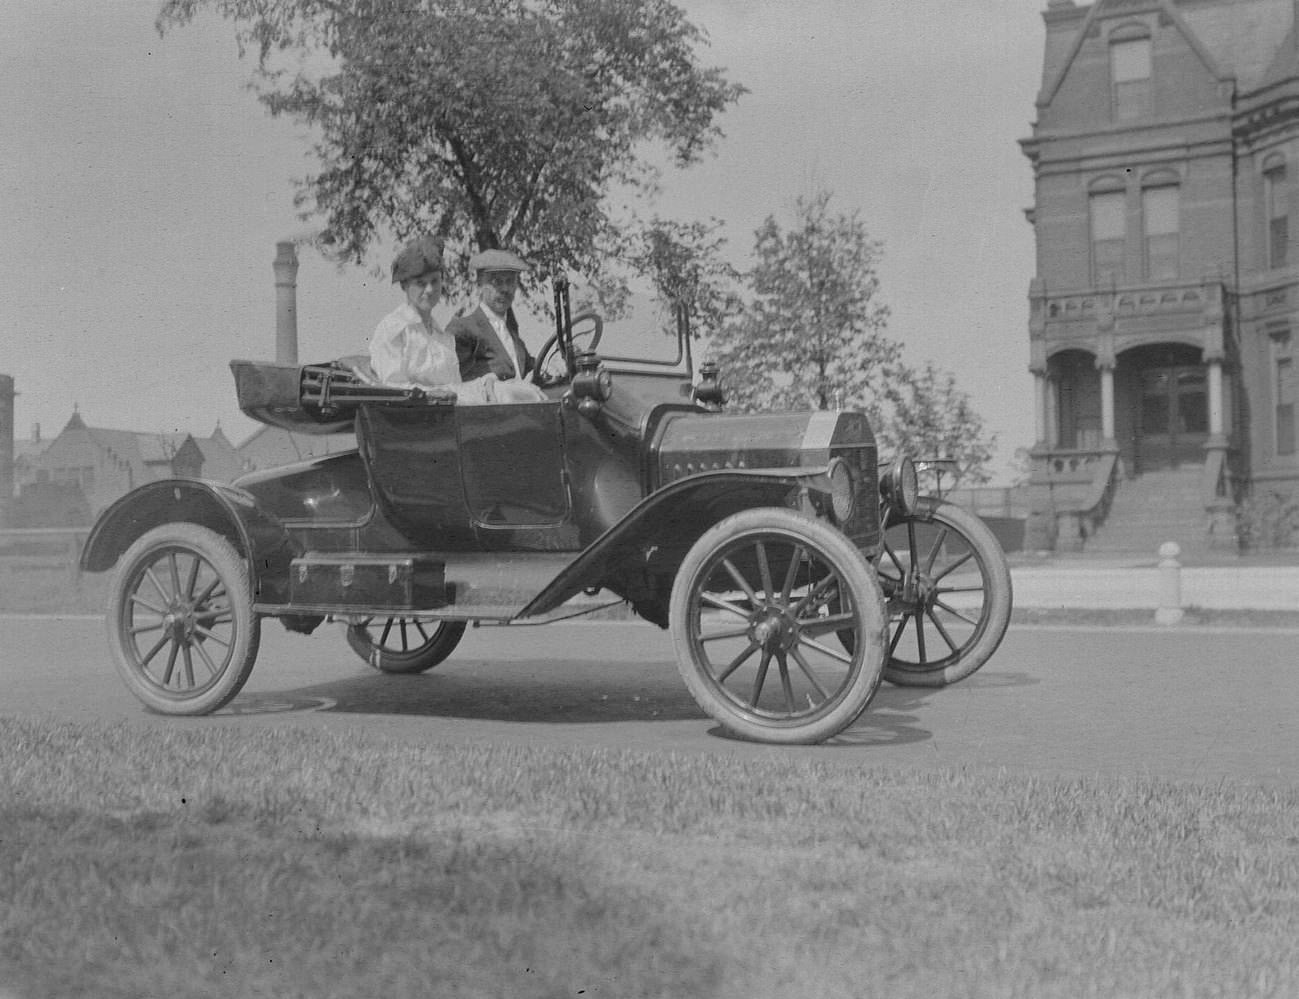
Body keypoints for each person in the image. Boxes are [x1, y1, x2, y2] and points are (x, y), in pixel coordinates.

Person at [368, 236, 498, 404]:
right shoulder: (394, 330)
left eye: (435, 281)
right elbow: (392, 389)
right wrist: (435, 394)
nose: (429, 290)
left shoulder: (444, 338)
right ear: (404, 286)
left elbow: (455, 389)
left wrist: (485, 384)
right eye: (421, 283)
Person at [448, 248, 548, 401]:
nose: (505, 289)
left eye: (510, 282)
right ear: (480, 285)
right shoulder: (464, 329)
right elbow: (456, 383)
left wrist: (554, 367)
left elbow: (531, 370)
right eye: (497, 282)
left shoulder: (512, 335)